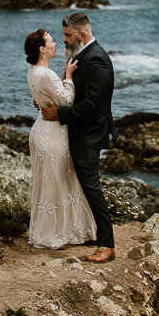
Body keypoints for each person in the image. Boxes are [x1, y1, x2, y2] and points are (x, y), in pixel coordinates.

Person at [40, 13, 117, 263]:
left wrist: (59, 114)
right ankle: (91, 233)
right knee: (83, 186)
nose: (64, 40)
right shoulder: (82, 55)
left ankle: (107, 245)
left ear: (81, 34)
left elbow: (93, 104)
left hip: (89, 134)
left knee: (91, 187)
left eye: (67, 36)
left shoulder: (96, 60)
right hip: (80, 131)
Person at [23, 28, 97, 249]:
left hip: (39, 131)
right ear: (42, 49)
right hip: (53, 134)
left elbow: (44, 97)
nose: (56, 43)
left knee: (48, 184)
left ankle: (51, 230)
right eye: (51, 41)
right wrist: (69, 77)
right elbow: (66, 101)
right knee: (60, 183)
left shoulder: (33, 71)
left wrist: (60, 80)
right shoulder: (47, 74)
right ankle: (60, 232)